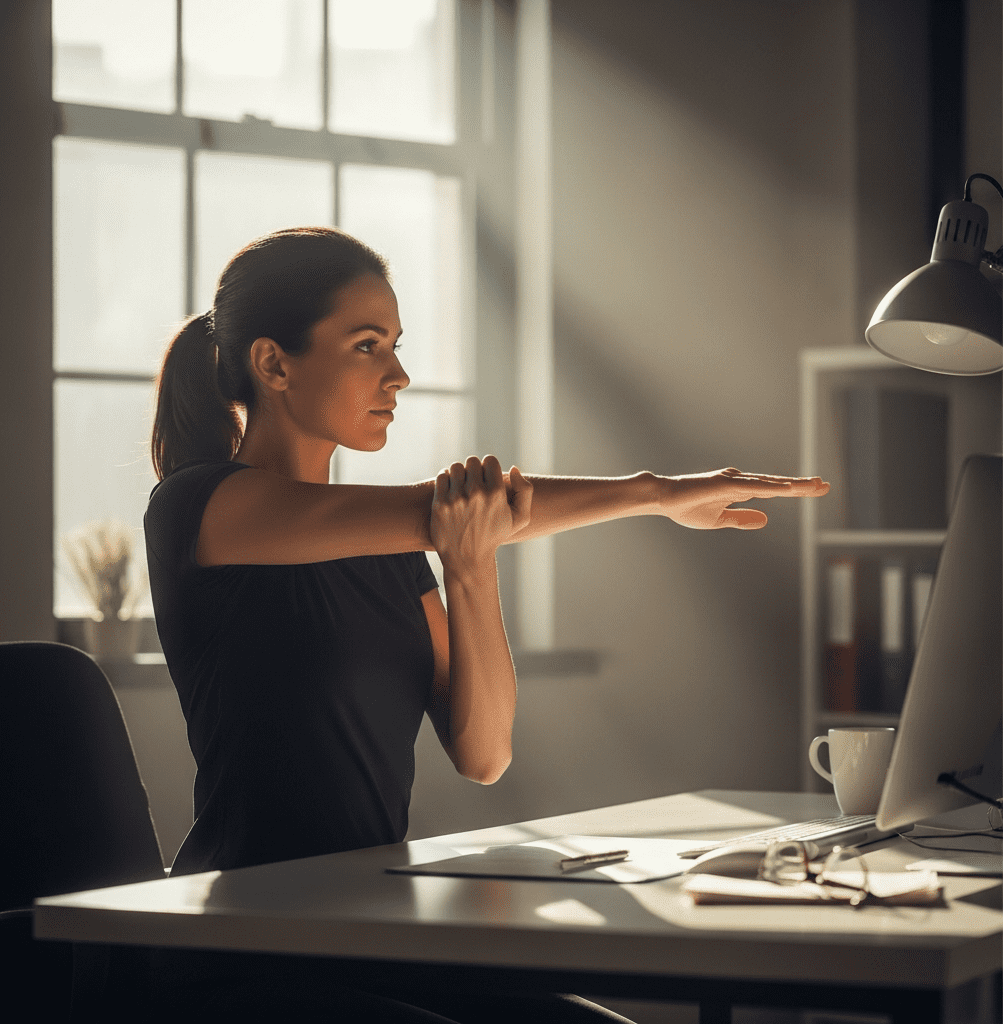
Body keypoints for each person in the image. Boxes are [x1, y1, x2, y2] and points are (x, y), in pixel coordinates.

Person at [143, 226, 830, 1022]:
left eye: (396, 344)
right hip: (245, 946)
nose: (398, 374)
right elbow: (443, 510)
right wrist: (657, 492)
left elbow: (484, 753)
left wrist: (472, 568)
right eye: (368, 346)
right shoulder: (201, 507)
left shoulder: (396, 549)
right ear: (273, 363)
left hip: (369, 923)